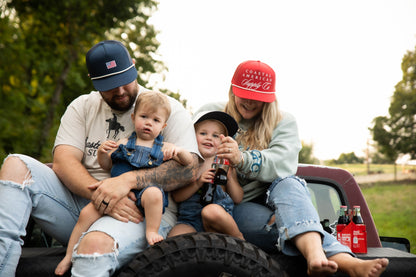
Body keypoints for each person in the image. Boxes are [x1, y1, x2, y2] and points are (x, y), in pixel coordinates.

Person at [0, 40, 200, 277]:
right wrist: (103, 194)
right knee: (15, 165)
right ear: (92, 79)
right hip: (83, 204)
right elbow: (64, 161)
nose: (120, 91)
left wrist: (126, 182)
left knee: (94, 246)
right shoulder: (82, 106)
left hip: (141, 213)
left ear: (134, 66)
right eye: (109, 85)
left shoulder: (166, 109)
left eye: (124, 80)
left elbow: (190, 170)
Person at [195, 60, 389, 277]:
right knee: (287, 223)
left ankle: (316, 254)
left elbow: (283, 164)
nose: (250, 102)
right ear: (232, 91)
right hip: (225, 206)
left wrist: (241, 158)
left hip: (263, 201)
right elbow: (188, 150)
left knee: (289, 182)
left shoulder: (283, 122)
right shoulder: (211, 114)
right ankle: (341, 259)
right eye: (244, 94)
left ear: (270, 99)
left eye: (258, 98)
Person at [54, 90, 194, 275]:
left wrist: (178, 151)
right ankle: (68, 255)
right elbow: (106, 165)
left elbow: (189, 163)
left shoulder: (163, 147)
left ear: (163, 126)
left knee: (154, 194)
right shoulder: (123, 142)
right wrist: (102, 153)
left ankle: (151, 231)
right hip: (116, 194)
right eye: (144, 117)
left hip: (143, 194)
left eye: (155, 120)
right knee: (86, 213)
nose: (148, 123)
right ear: (134, 117)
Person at [168, 111, 244, 240]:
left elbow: (238, 198)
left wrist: (229, 178)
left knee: (211, 212)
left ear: (223, 141)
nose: (209, 138)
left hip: (217, 218)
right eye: (203, 133)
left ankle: (239, 239)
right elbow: (177, 197)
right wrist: (197, 183)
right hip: (190, 219)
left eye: (216, 136)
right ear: (192, 136)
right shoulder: (188, 161)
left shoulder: (224, 163)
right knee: (175, 238)